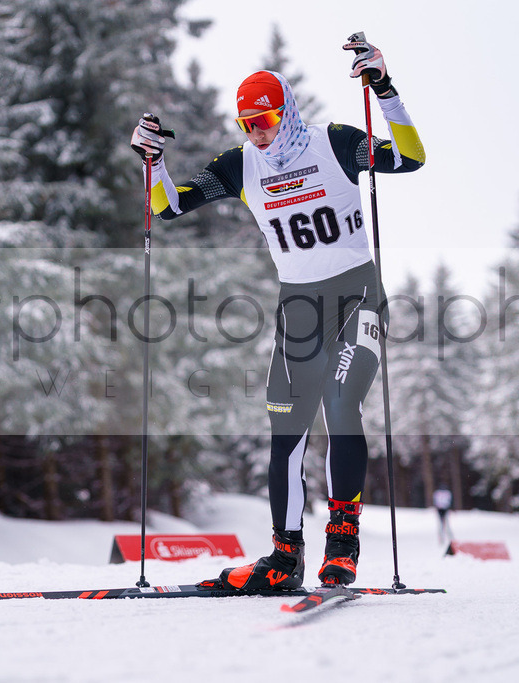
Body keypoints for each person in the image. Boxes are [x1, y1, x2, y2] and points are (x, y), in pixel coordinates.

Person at [130, 38, 425, 589]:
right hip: (301, 306)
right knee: (286, 428)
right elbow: (168, 206)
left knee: (341, 406)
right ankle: (285, 559)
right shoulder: (241, 165)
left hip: (357, 296)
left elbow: (409, 157)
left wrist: (384, 89)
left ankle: (342, 546)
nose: (257, 133)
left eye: (264, 120)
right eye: (246, 124)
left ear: (285, 111)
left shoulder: (336, 143)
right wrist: (154, 163)